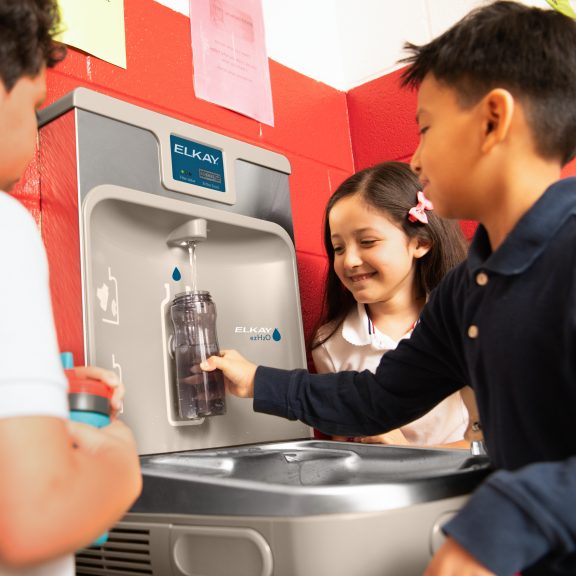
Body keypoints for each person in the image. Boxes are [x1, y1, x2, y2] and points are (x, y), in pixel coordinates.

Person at [201, 2, 576, 574]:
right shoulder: (468, 291)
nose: (417, 158)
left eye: (426, 129)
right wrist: (259, 381)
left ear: (493, 120)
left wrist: (499, 526)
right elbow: (376, 399)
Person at [0, 1, 141, 574]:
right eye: (34, 108)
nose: (35, 133)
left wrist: (42, 391)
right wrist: (121, 463)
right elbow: (33, 519)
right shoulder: (7, 229)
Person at [311, 161, 477, 447]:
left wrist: (409, 453)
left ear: (420, 243)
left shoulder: (467, 321)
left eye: (367, 241)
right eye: (338, 248)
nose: (349, 260)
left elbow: (489, 444)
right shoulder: (330, 342)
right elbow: (343, 444)